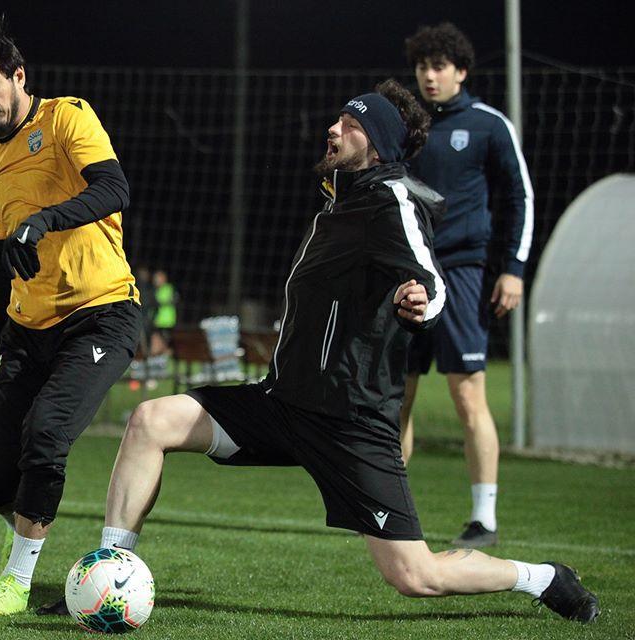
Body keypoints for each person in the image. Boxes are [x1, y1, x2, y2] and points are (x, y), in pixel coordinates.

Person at [94, 81, 598, 624]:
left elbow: (432, 280)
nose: (333, 129)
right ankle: (107, 578)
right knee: (150, 421)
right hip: (283, 404)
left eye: (352, 125)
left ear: (377, 147)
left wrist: (421, 303)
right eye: (338, 120)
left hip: (350, 421)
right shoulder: (338, 203)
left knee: (416, 577)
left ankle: (543, 577)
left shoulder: (391, 199)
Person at [0, 18, 142, 617]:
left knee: (46, 433)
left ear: (18, 75)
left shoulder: (67, 117)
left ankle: (16, 583)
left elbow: (114, 188)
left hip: (101, 314)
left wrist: (45, 219)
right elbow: (5, 271)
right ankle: (27, 536)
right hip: (28, 330)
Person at [401, 22, 535, 547]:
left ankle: (484, 520)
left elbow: (520, 198)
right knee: (397, 395)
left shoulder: (488, 124)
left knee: (467, 394)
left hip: (463, 273)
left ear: (461, 71)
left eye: (439, 67)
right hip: (409, 274)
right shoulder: (406, 125)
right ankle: (390, 512)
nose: (429, 76)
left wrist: (513, 268)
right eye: (422, 67)